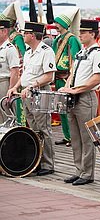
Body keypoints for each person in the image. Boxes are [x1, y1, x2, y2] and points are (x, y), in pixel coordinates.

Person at [61, 19, 100, 185]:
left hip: (85, 97)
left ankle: (87, 173)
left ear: (93, 34)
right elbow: (72, 74)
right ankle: (78, 170)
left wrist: (75, 90)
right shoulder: (81, 52)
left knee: (86, 138)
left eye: (83, 32)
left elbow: (96, 79)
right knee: (75, 136)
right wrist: (67, 88)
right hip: (73, 97)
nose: (79, 34)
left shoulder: (98, 53)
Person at [7, 21, 56, 176]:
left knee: (44, 129)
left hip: (39, 93)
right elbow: (26, 74)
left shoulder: (46, 51)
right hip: (27, 93)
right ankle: (37, 161)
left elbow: (49, 76)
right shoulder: (28, 52)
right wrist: (15, 87)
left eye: (25, 33)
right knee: (33, 129)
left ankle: (48, 164)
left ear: (33, 35)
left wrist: (32, 86)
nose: (23, 35)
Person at [52, 9, 82, 147]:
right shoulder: (57, 39)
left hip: (66, 77)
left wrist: (72, 78)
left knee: (69, 109)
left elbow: (76, 59)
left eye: (58, 23)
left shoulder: (72, 39)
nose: (55, 25)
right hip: (57, 77)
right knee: (61, 109)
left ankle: (72, 137)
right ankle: (66, 135)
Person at [0, 19, 20, 123]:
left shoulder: (10, 49)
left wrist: (11, 90)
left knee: (6, 114)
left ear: (5, 31)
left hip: (4, 83)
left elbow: (15, 72)